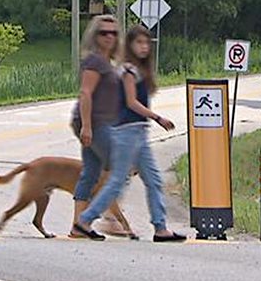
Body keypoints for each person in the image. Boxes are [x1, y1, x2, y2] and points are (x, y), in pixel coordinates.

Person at [73, 24, 188, 242]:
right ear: (130, 45)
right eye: (139, 43)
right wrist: (157, 117)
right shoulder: (127, 70)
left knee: (153, 179)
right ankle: (85, 220)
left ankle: (160, 227)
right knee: (117, 180)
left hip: (139, 132)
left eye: (147, 43)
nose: (144, 47)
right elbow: (131, 102)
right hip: (126, 132)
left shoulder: (139, 71)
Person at [70, 15, 123, 239]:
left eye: (114, 33)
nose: (109, 36)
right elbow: (86, 93)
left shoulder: (106, 62)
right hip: (94, 123)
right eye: (104, 32)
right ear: (95, 35)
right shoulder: (94, 62)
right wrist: (87, 127)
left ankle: (77, 226)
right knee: (121, 167)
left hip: (98, 123)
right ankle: (106, 220)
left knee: (90, 174)